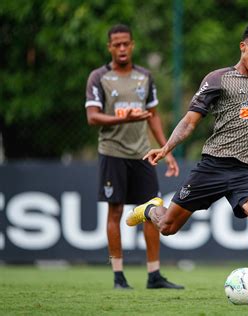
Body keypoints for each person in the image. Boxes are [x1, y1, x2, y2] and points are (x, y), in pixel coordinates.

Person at [126, 21, 248, 304]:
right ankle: (151, 210)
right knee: (168, 227)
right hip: (214, 165)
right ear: (242, 47)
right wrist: (166, 147)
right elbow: (190, 121)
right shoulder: (218, 79)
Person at [85, 24, 184, 290]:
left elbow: (153, 116)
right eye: (116, 44)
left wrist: (167, 150)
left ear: (132, 45)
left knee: (151, 211)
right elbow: (92, 117)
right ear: (110, 47)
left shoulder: (144, 76)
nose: (121, 49)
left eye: (125, 43)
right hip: (112, 154)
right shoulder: (99, 77)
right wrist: (122, 117)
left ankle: (154, 275)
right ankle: (118, 275)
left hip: (142, 155)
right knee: (115, 211)